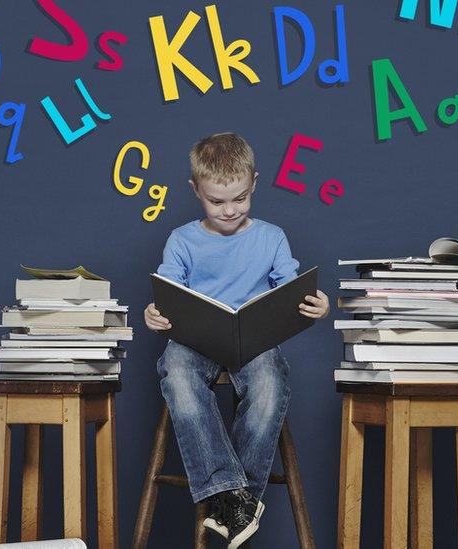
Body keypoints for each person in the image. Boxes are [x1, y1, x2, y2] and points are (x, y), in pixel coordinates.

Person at [144, 132, 329, 548]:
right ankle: (235, 496)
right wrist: (154, 315)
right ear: (195, 190)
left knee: (269, 383)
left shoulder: (271, 237)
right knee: (175, 373)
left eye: (240, 199)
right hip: (194, 343)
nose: (229, 210)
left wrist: (318, 304)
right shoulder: (182, 240)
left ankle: (230, 502)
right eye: (216, 201)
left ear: (255, 184)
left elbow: (293, 289)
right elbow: (168, 293)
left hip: (255, 343)